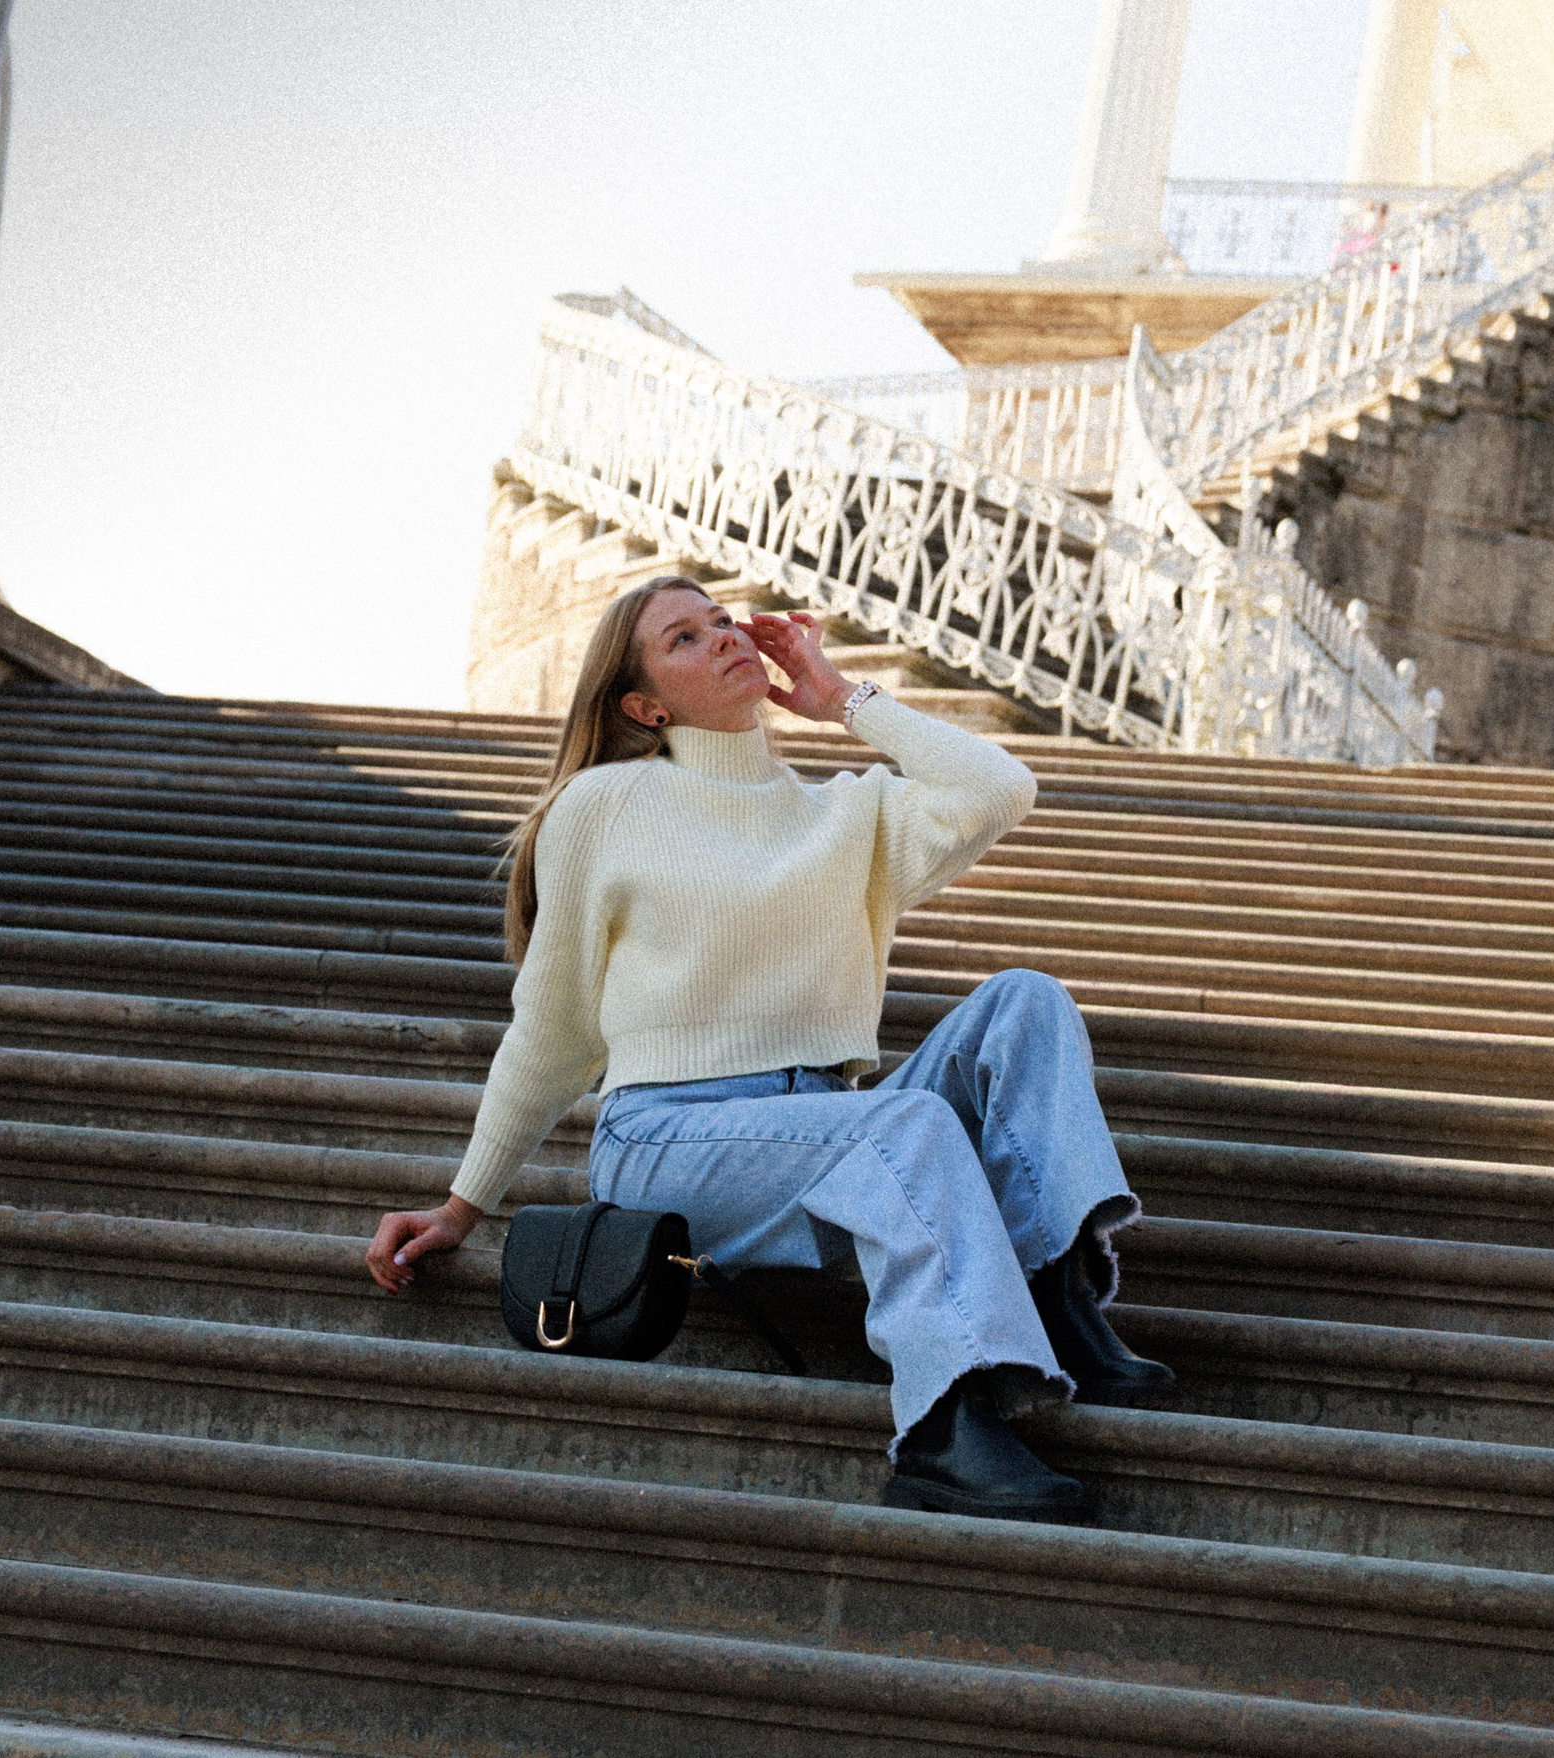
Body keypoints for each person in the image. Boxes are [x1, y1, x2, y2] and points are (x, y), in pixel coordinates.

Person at [364, 575, 1170, 1523]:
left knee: (1023, 1004)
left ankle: (1057, 1299)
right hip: (668, 1140)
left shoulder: (847, 813)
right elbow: (553, 1028)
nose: (722, 637)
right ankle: (946, 1424)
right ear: (644, 705)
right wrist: (464, 1205)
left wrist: (841, 700)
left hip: (829, 1123)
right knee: (901, 1127)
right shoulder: (606, 806)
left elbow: (1002, 788)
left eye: (720, 620)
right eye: (684, 638)